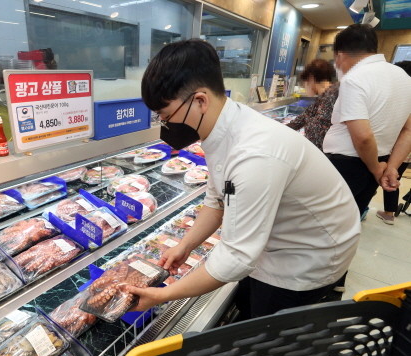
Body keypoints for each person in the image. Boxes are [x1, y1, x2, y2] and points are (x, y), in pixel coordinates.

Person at [126, 39, 360, 319]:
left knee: (266, 322)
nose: (164, 125)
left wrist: (163, 295)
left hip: (308, 255)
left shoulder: (255, 153)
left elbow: (237, 257)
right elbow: (216, 200)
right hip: (280, 237)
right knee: (247, 301)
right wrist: (184, 245)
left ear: (200, 101)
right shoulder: (222, 126)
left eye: (165, 115)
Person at [323, 24, 411, 217]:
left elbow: (363, 137)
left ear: (340, 55)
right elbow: (408, 130)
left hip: (346, 164)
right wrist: (391, 167)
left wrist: (377, 170)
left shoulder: (355, 79)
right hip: (380, 161)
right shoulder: (404, 78)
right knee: (350, 217)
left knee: (325, 220)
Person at [376, 61, 411, 224]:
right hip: (407, 152)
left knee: (386, 177)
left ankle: (388, 212)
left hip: (396, 149)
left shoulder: (402, 97)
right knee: (394, 177)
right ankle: (389, 212)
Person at [287, 59, 339, 150]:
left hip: (326, 154)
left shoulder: (331, 96)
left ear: (311, 78)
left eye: (305, 82)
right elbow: (303, 118)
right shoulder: (325, 96)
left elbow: (318, 135)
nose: (304, 86)